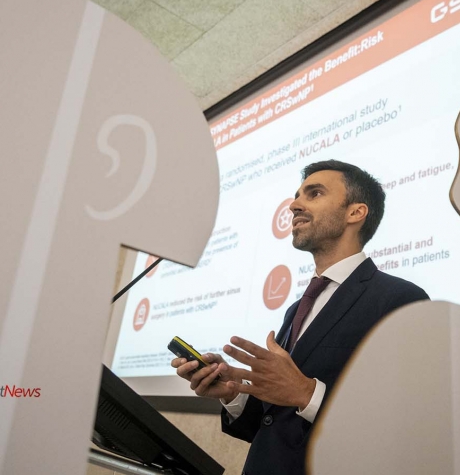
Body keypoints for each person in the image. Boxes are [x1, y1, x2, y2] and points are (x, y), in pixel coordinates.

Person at [172, 160, 429, 475]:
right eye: (297, 196)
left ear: (355, 212)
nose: (294, 205)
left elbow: (403, 425)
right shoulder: (298, 308)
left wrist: (307, 393)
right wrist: (234, 393)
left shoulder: (400, 300)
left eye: (314, 193)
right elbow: (274, 424)